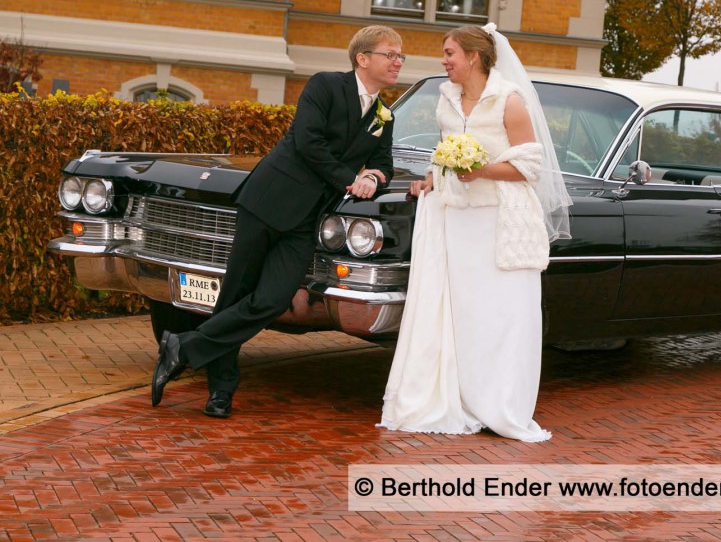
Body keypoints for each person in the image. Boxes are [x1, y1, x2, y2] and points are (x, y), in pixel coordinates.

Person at [151, 25, 404, 418]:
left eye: (399, 55)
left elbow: (384, 163)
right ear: (363, 58)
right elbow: (308, 142)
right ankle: (221, 392)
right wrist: (350, 178)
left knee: (271, 301)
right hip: (268, 201)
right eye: (391, 53)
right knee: (235, 294)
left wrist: (373, 177)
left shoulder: (384, 114)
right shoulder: (324, 86)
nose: (398, 61)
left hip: (306, 220)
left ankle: (183, 347)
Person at [378, 24, 571, 442]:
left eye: (450, 53)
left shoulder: (510, 102)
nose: (444, 60)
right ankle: (460, 399)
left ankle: (499, 404)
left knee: (499, 315)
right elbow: (444, 150)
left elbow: (529, 167)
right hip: (457, 220)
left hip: (498, 221)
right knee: (461, 314)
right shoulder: (445, 98)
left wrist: (479, 170)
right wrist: (432, 176)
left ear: (474, 57)